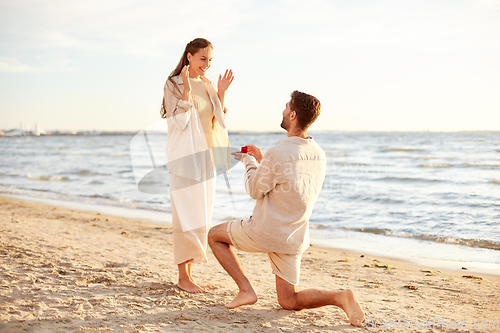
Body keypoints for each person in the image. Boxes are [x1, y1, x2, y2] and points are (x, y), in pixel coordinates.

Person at [208, 91, 365, 327]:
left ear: (292, 115)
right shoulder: (318, 154)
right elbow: (290, 182)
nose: (282, 111)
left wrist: (249, 161)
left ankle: (246, 290)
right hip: (294, 237)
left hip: (265, 231)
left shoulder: (278, 152)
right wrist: (263, 160)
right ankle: (340, 296)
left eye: (285, 107)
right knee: (288, 300)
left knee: (214, 236)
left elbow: (254, 190)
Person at [161, 38, 234, 293]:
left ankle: (189, 275)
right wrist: (185, 94)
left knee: (200, 215)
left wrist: (221, 92)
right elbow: (177, 122)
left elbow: (218, 119)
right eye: (203, 59)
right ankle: (183, 277)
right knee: (184, 215)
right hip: (184, 158)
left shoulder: (208, 84)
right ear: (189, 56)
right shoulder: (173, 83)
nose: (207, 64)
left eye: (210, 60)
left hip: (207, 157)